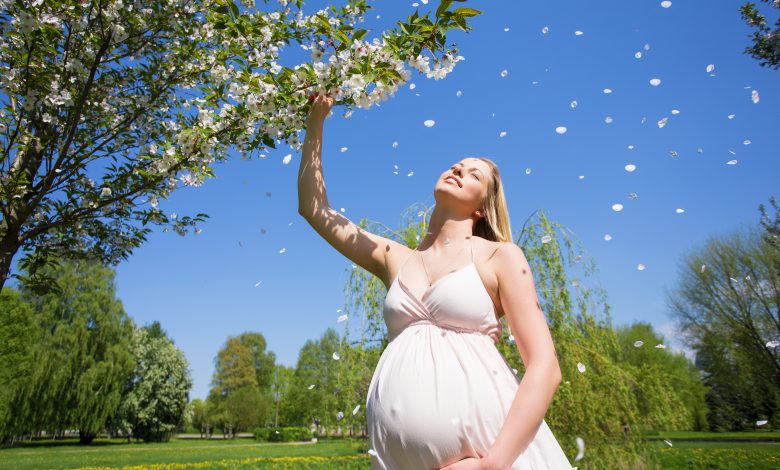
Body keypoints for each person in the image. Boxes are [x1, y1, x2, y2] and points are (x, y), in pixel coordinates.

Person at [298, 91, 577, 470]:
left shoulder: (500, 256)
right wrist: (316, 121)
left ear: (482, 206)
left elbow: (545, 366)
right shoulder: (393, 259)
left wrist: (492, 464)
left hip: (489, 458)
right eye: (458, 165)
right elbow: (314, 209)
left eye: (473, 173)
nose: (460, 170)